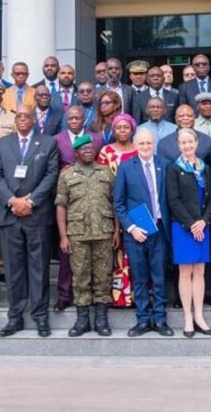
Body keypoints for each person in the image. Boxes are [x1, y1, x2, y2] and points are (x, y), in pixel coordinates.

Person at [0, 106, 60, 337]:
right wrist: (13, 201)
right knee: (13, 270)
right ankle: (15, 317)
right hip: (10, 215)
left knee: (39, 268)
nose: (22, 120)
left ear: (34, 119)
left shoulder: (48, 143)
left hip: (37, 215)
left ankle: (40, 317)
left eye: (27, 116)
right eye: (19, 116)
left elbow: (51, 175)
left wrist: (30, 202)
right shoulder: (3, 144)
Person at [113, 129, 174, 337]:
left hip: (159, 229)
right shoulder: (126, 167)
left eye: (149, 143)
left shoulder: (164, 165)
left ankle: (160, 320)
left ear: (154, 144)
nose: (146, 147)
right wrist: (131, 227)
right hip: (136, 232)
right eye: (142, 144)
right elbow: (119, 203)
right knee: (139, 278)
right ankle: (142, 320)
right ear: (135, 145)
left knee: (159, 276)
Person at [55, 134, 118, 337]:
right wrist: (63, 236)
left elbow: (115, 202)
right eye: (84, 149)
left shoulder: (106, 172)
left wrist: (117, 230)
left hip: (103, 232)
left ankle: (101, 319)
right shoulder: (67, 175)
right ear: (76, 153)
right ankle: (82, 320)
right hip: (77, 234)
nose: (89, 151)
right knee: (80, 277)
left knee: (103, 276)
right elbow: (61, 206)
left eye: (91, 149)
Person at [166, 128, 211, 337]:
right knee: (186, 272)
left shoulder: (204, 167)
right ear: (179, 145)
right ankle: (187, 316)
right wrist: (191, 224)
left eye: (190, 142)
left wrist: (203, 221)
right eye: (183, 143)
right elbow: (173, 200)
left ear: (197, 143)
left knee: (200, 272)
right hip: (183, 228)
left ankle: (199, 316)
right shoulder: (174, 168)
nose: (187, 146)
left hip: (202, 227)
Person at [98, 113, 139, 308]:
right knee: (117, 254)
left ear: (132, 129)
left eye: (126, 127)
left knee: (137, 254)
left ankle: (137, 295)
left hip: (137, 210)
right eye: (118, 128)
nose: (122, 131)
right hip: (112, 208)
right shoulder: (106, 152)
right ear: (113, 131)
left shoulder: (140, 149)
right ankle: (119, 297)